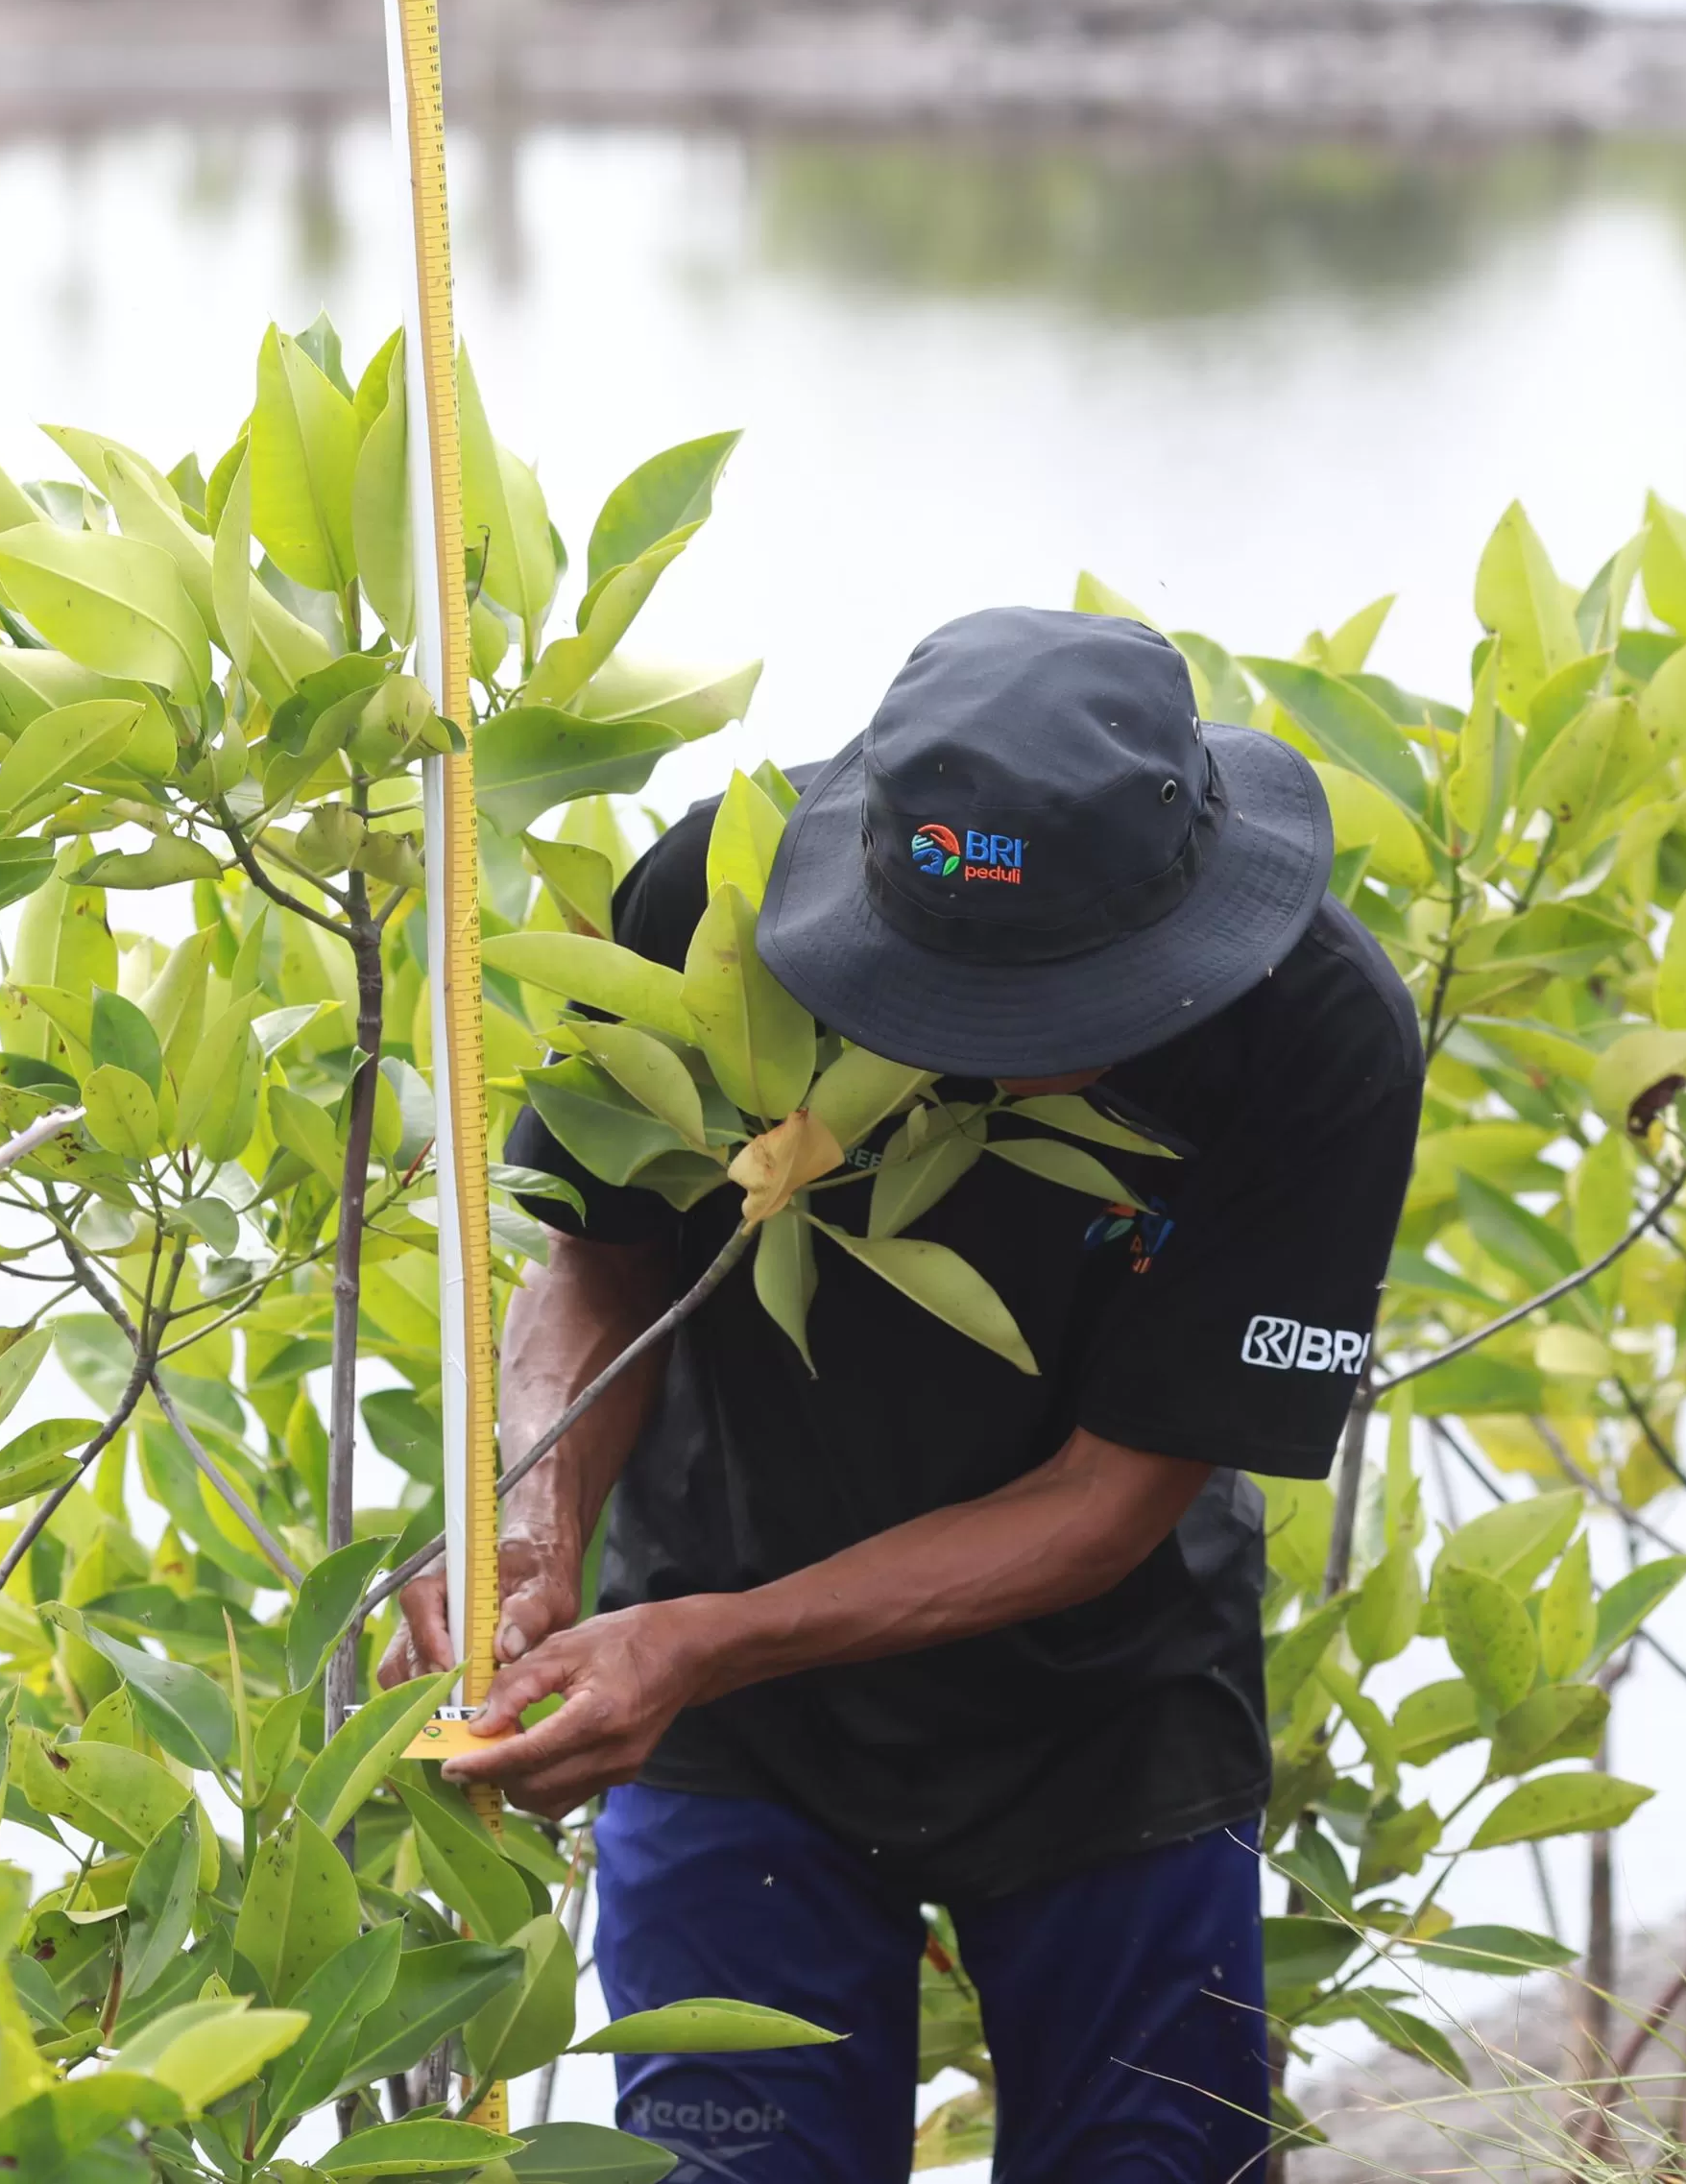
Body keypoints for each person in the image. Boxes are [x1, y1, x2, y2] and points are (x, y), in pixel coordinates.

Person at [387, 608, 1421, 2182]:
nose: (1003, 1053)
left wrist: (698, 1645)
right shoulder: (706, 904)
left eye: (1065, 1003)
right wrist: (531, 1524)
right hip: (730, 1707)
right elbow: (599, 1265)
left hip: (1108, 1707)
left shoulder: (1313, 1029)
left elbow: (1110, 1494)